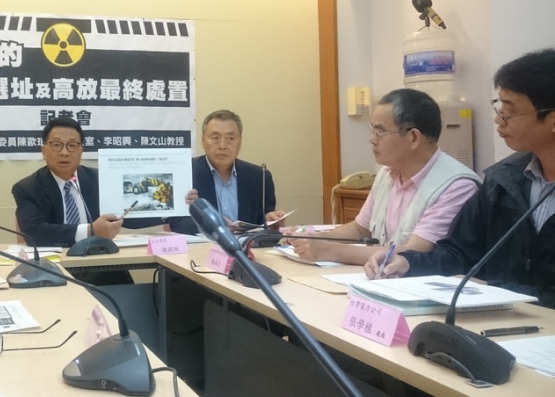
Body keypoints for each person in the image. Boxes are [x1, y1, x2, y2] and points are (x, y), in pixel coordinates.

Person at [367, 50, 555, 309]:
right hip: (499, 320)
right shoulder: (503, 181)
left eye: (509, 111)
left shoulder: (462, 182)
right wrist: (409, 263)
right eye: (499, 108)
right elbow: (458, 253)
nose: (498, 119)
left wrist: (496, 290)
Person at [289, 89, 480, 265]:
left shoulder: (456, 186)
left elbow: (414, 253)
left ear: (413, 137)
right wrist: (311, 237)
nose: (372, 139)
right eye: (372, 130)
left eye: (380, 131)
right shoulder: (387, 173)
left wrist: (327, 251)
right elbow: (360, 228)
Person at [12, 116, 161, 248]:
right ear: (44, 151)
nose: (64, 152)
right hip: (55, 263)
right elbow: (34, 232)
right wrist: (90, 231)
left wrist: (168, 210)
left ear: (81, 151)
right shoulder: (27, 189)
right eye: (56, 145)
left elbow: (127, 216)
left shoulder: (99, 179)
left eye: (72, 145)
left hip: (100, 259)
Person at [167, 109, 287, 235]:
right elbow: (176, 222)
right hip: (204, 245)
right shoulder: (185, 172)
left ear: (240, 142)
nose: (222, 146)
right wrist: (212, 225)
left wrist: (271, 222)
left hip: (247, 246)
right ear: (203, 141)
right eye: (215, 138)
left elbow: (264, 220)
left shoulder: (260, 177)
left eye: (230, 138)